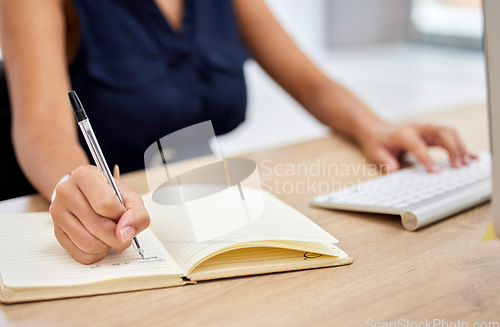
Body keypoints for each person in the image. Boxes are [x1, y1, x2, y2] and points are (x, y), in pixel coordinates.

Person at [0, 0, 475, 264]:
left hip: (197, 209)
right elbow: (40, 121)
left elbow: (311, 82)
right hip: (92, 210)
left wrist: (374, 126)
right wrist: (69, 181)